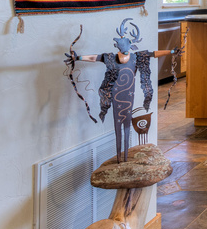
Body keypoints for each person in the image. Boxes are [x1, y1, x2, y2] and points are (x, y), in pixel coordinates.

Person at [67, 18, 176, 163]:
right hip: (117, 95)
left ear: (130, 45)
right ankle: (120, 158)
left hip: (128, 95)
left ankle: (124, 157)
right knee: (118, 123)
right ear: (117, 46)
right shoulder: (111, 58)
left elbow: (153, 53)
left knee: (126, 124)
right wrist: (78, 57)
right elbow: (95, 57)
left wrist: (172, 51)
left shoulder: (137, 57)